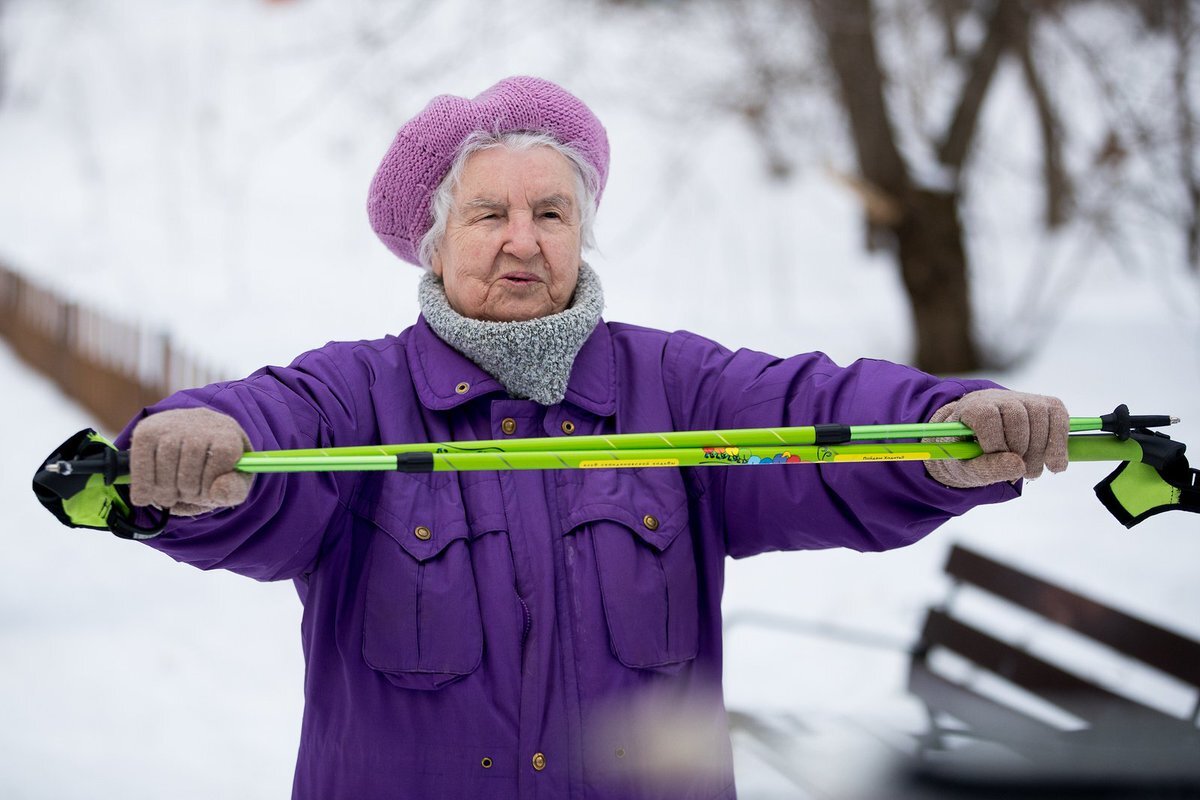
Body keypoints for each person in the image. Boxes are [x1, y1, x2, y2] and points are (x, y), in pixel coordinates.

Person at [108, 76, 1068, 799]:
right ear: (436, 243)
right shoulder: (360, 393)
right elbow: (273, 430)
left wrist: (941, 430)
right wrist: (197, 442)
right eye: (489, 214)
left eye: (552, 214)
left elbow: (813, 420)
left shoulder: (676, 390)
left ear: (582, 236)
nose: (523, 241)